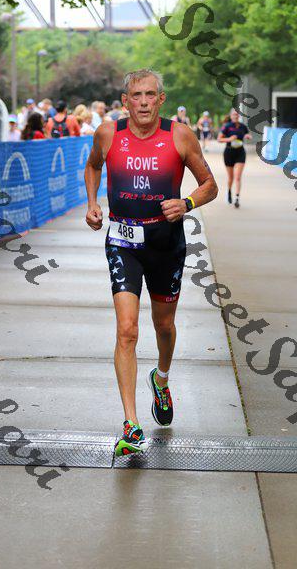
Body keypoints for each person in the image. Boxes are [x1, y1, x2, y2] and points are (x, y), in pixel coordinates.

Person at [84, 69, 218, 457]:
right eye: (136, 95)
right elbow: (93, 165)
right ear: (125, 101)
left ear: (161, 99)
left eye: (149, 95)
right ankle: (131, 424)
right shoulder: (108, 133)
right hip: (122, 241)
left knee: (164, 326)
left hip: (165, 243)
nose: (143, 102)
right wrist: (93, 204)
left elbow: (210, 185)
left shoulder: (180, 135)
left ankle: (161, 377)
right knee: (127, 330)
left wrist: (187, 203)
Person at [217, 108, 252, 208]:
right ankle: (229, 191)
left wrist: (248, 136)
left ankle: (237, 198)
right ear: (231, 116)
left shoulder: (243, 126)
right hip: (229, 153)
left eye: (237, 114)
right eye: (234, 114)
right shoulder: (227, 126)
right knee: (231, 177)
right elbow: (219, 139)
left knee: (237, 177)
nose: (235, 116)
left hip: (240, 152)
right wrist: (229, 139)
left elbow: (248, 134)